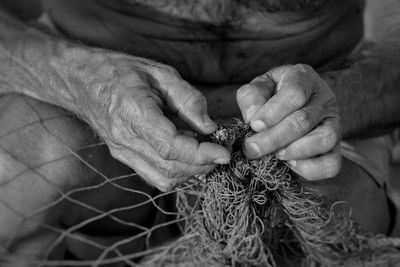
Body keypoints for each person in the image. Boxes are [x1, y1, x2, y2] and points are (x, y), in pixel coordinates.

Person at [0, 0, 399, 265]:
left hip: (315, 87)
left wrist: (334, 100)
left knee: (320, 217)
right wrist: (82, 82)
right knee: (41, 159)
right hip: (79, 78)